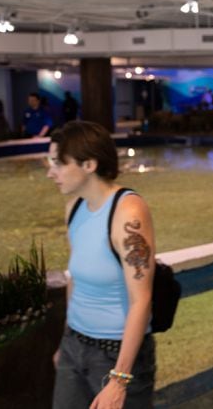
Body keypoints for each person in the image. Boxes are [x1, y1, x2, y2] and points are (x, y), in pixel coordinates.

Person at [47, 121, 156, 408]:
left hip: (115, 354)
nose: (50, 172)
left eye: (58, 163)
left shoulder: (128, 212)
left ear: (89, 164)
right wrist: (65, 342)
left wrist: (119, 379)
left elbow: (141, 300)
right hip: (74, 344)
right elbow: (76, 280)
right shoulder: (74, 208)